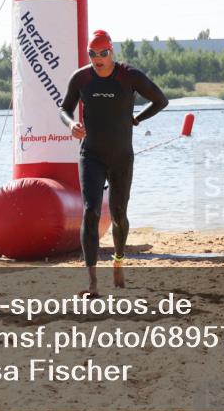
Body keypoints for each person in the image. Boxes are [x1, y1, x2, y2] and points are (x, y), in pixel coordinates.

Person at [60, 30, 168, 296]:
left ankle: (118, 261)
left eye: (103, 53)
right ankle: (91, 282)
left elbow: (161, 100)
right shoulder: (81, 78)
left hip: (121, 158)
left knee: (119, 215)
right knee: (91, 212)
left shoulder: (129, 76)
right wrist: (72, 124)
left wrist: (138, 118)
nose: (98, 59)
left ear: (112, 52)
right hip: (91, 156)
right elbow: (64, 108)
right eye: (92, 54)